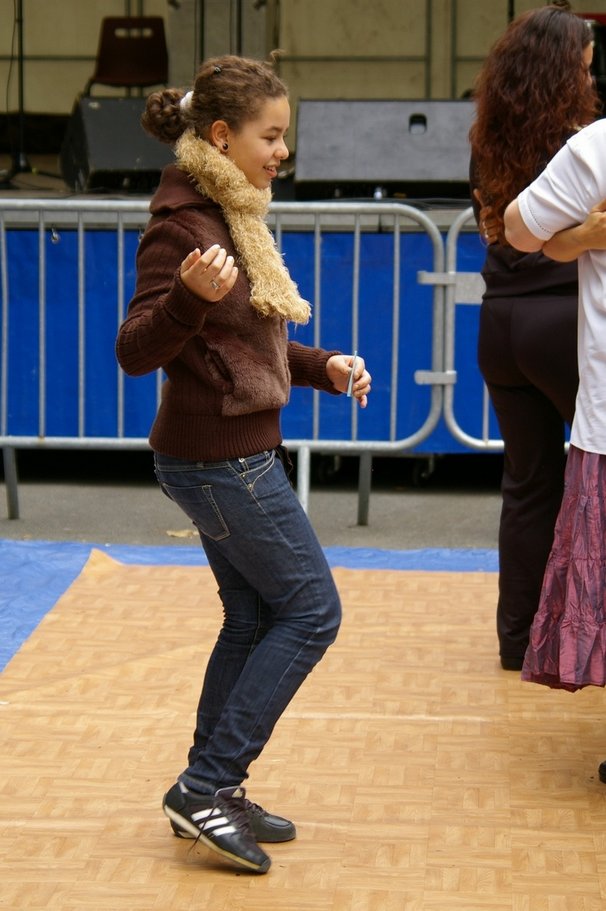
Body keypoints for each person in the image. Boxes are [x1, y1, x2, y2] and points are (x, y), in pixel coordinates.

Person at [115, 53, 372, 875]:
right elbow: (135, 348)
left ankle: (215, 787)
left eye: (283, 135)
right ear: (221, 136)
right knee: (313, 612)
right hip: (222, 462)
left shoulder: (233, 213)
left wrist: (321, 363)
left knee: (256, 617)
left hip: (232, 454)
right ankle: (206, 784)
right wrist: (185, 297)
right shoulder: (183, 226)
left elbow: (246, 340)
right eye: (271, 135)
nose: (281, 151)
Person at [468, 2, 599, 671]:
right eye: (584, 65)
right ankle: (580, 635)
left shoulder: (489, 134)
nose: (592, 74)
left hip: (501, 324)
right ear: (565, 71)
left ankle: (516, 637)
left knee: (527, 484)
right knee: (592, 480)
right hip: (561, 320)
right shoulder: (582, 143)